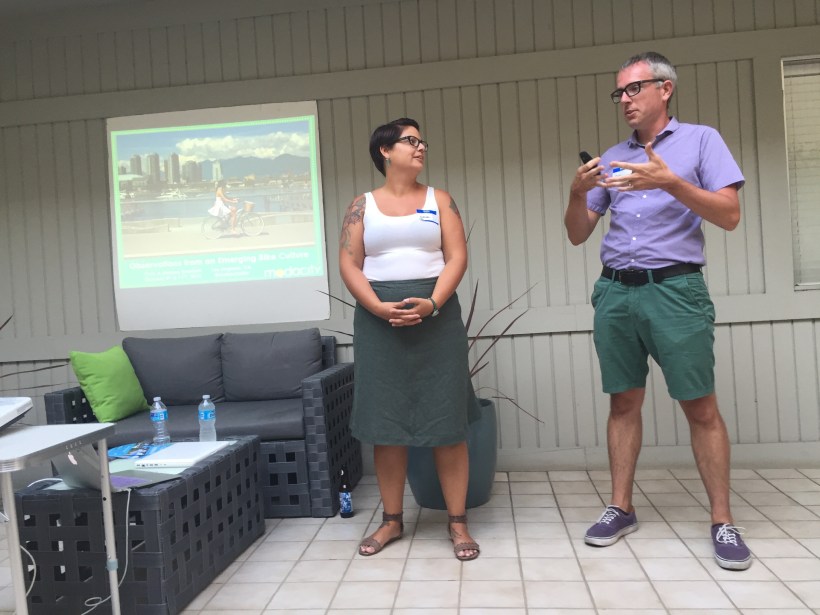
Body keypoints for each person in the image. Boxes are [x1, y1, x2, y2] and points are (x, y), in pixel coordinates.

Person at [564, 51, 751, 570]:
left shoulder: (702, 141)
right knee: (623, 403)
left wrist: (669, 182)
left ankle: (722, 520)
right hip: (615, 293)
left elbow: (730, 215)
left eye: (634, 89)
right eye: (619, 92)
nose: (624, 100)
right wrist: (577, 193)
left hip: (675, 290)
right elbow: (578, 233)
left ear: (665, 89)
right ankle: (620, 508)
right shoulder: (612, 156)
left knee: (700, 407)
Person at [339, 118, 480, 561]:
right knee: (387, 425)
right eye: (410, 141)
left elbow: (457, 257)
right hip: (378, 322)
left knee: (447, 423)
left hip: (436, 318)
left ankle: (457, 523)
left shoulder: (441, 200)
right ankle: (392, 521)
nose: (421, 147)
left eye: (422, 141)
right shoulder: (362, 205)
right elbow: (349, 264)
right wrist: (378, 308)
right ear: (385, 150)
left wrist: (433, 303)